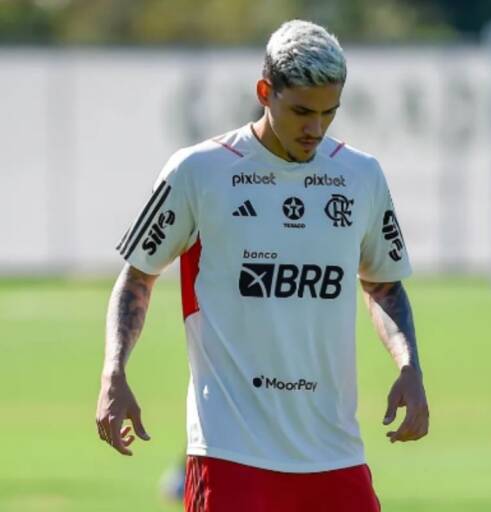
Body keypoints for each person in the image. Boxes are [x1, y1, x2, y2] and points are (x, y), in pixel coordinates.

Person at [94, 19, 429, 512]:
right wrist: (114, 371)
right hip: (230, 456)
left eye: (328, 112)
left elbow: (383, 286)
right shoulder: (198, 172)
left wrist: (409, 366)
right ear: (264, 91)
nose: (315, 128)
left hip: (334, 453)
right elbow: (137, 277)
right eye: (300, 112)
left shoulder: (360, 176)